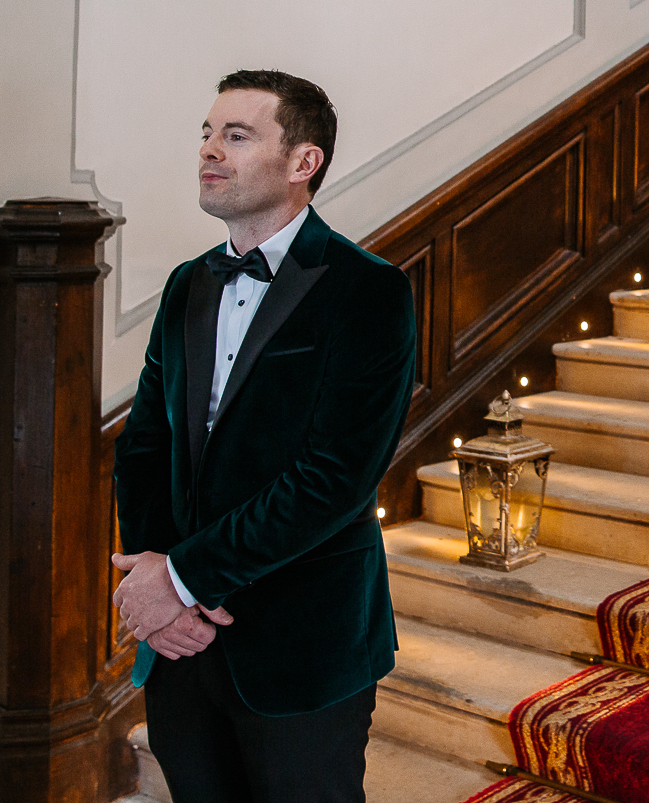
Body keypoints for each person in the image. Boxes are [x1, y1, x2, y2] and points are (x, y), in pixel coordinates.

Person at [112, 70, 416, 802]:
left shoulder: (367, 290)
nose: (210, 151)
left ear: (303, 162)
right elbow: (145, 446)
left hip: (302, 643)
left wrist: (182, 580)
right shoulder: (189, 283)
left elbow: (333, 478)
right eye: (208, 134)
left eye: (237, 136)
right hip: (181, 647)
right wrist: (157, 584)